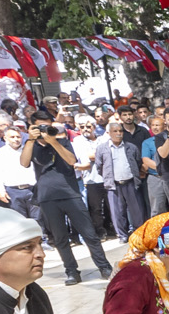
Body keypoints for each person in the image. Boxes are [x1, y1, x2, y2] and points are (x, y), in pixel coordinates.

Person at [26, 118, 113, 286]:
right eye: (39, 128)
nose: (43, 131)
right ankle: (71, 271)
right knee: (60, 238)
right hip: (47, 198)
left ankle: (104, 267)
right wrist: (30, 139)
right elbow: (23, 163)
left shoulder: (63, 142)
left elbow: (72, 161)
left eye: (47, 127)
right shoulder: (32, 145)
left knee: (89, 234)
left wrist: (53, 142)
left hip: (70, 194)